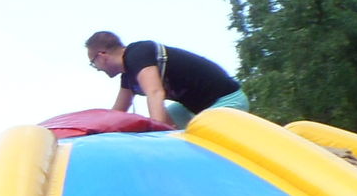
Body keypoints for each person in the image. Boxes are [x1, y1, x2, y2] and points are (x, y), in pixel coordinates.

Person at [84, 31, 249, 128]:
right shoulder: (128, 76)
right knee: (149, 126)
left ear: (102, 55)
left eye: (93, 63)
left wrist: (158, 136)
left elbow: (155, 92)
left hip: (226, 100)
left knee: (192, 130)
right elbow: (117, 114)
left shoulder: (137, 54)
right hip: (194, 108)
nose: (96, 68)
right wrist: (95, 131)